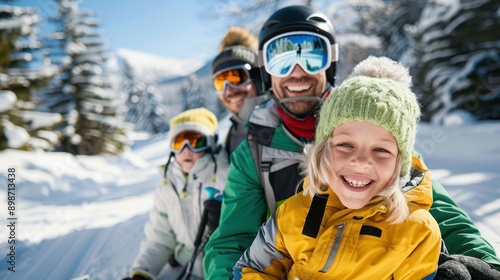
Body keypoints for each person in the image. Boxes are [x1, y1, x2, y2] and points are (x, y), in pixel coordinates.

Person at [204, 5, 500, 279]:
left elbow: (437, 208)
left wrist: (484, 263)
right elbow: (232, 240)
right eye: (280, 59)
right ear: (266, 71)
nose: (297, 71)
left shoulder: (372, 120)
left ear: (330, 62)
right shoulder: (255, 151)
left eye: (311, 55)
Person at [233, 56, 442, 279]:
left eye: (381, 150)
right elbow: (252, 269)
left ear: (400, 163)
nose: (361, 161)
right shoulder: (293, 213)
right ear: (323, 151)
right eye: (345, 145)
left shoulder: (416, 231)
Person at [127, 108, 223, 280]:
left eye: (195, 141)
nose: (187, 149)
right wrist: (142, 273)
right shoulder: (167, 186)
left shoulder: (227, 177)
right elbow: (160, 237)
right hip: (184, 266)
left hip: (221, 268)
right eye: (179, 142)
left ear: (211, 143)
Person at [211, 26, 268, 155]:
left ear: (257, 77)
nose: (229, 90)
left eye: (237, 77)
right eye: (220, 82)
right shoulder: (233, 136)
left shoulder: (285, 120)